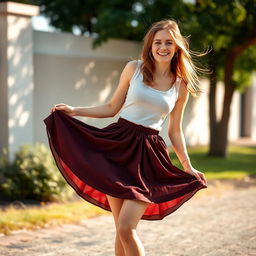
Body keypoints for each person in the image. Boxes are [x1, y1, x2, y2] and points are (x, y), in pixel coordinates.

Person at [44, 19, 208, 256]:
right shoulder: (134, 69)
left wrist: (187, 166)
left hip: (148, 156)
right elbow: (111, 107)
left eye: (168, 43)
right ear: (150, 46)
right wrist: (75, 110)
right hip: (117, 145)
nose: (163, 47)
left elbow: (175, 130)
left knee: (126, 227)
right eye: (158, 42)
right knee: (120, 229)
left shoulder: (180, 85)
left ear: (176, 47)